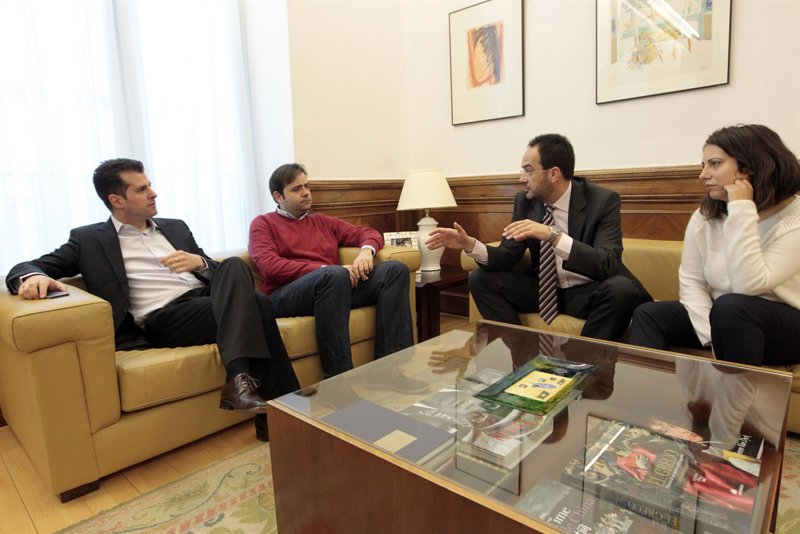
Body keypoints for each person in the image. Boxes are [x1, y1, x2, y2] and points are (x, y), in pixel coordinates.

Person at [6, 158, 299, 442]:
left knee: (235, 268)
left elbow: (223, 276)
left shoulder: (176, 227)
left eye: (150, 185)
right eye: (142, 189)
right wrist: (32, 277)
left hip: (207, 302)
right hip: (164, 318)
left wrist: (199, 263)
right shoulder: (88, 240)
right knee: (258, 303)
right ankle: (278, 410)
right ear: (117, 200)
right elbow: (28, 265)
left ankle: (248, 392)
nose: (153, 193)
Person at [426, 133, 651, 342]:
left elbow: (607, 262)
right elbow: (507, 255)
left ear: (553, 174)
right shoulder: (525, 202)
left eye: (528, 170)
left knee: (622, 290)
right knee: (480, 279)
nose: (521, 178)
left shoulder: (601, 201)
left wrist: (552, 235)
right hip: (544, 291)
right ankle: (521, 352)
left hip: (587, 291)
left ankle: (582, 362)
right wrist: (469, 244)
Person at [629, 124, 800, 366]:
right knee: (649, 313)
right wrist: (713, 334)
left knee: (731, 306)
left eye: (715, 164)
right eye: (703, 165)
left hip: (785, 322)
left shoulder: (795, 219)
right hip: (723, 317)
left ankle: (734, 391)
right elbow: (691, 281)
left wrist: (741, 208)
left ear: (751, 166)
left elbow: (749, 285)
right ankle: (648, 389)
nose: (703, 174)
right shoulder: (705, 215)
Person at [248, 163, 423, 391]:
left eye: (307, 186)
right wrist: (324, 269)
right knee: (335, 274)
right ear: (278, 196)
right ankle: (337, 382)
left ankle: (387, 370)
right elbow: (270, 267)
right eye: (297, 189)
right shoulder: (263, 224)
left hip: (333, 288)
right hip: (285, 296)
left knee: (394, 270)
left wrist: (366, 252)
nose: (306, 193)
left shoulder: (322, 221)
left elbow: (367, 233)